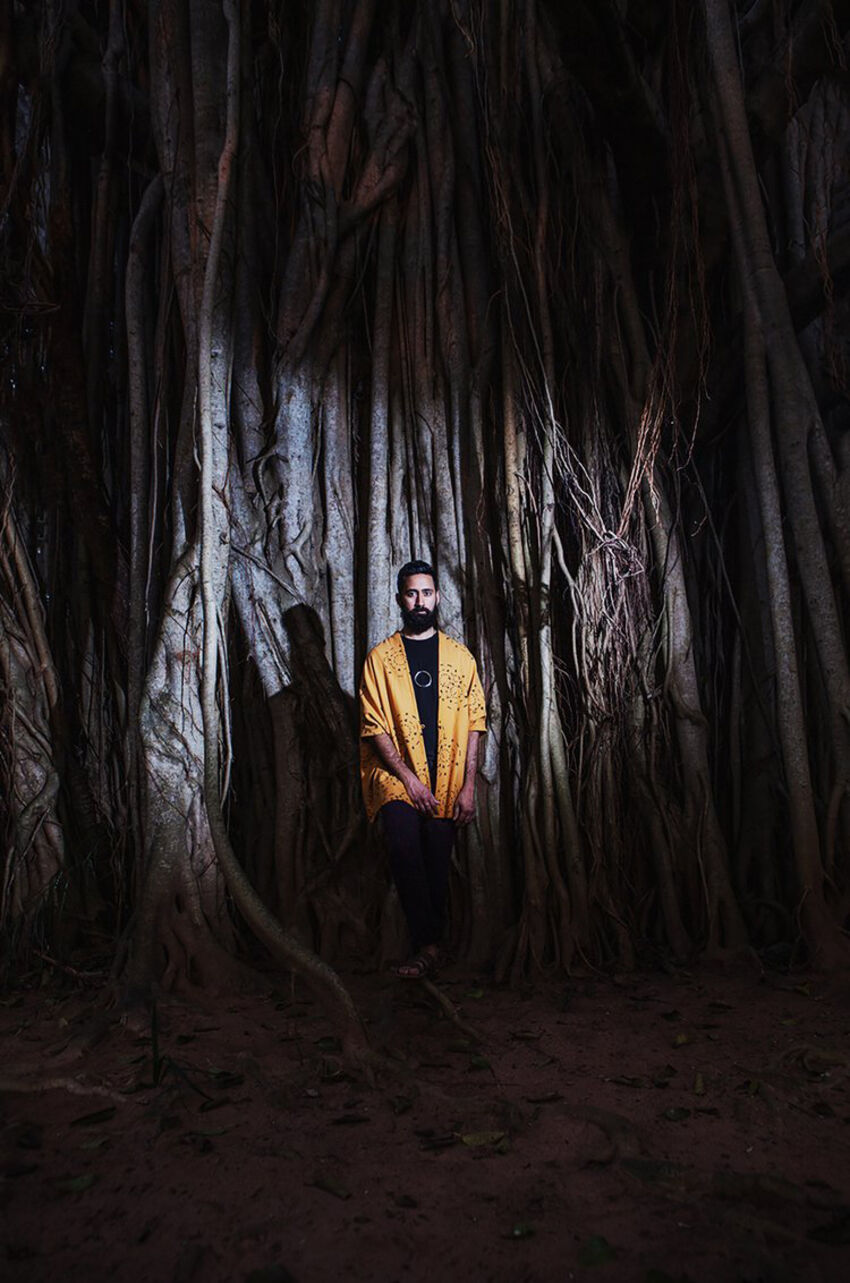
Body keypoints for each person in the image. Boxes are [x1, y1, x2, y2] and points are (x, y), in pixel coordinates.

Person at [359, 560, 486, 978]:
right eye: (411, 593)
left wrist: (468, 786)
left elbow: (475, 724)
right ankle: (429, 946)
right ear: (399, 599)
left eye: (426, 593)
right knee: (402, 844)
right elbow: (374, 725)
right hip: (395, 778)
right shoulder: (380, 659)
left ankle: (430, 947)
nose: (420, 601)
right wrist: (408, 779)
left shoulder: (460, 658)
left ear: (437, 597)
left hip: (448, 779)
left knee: (435, 859)